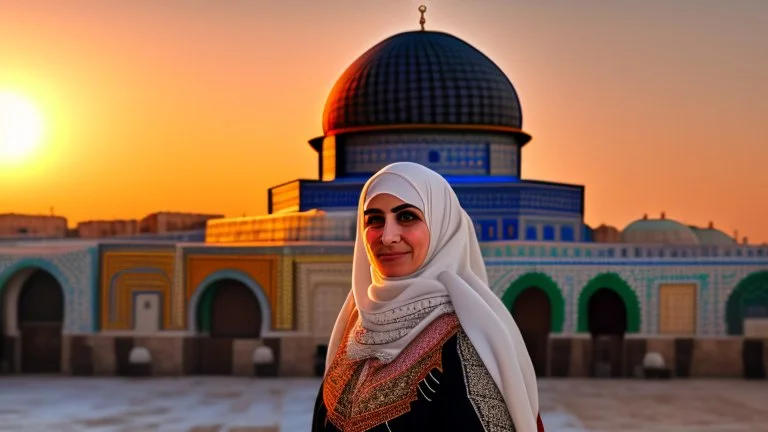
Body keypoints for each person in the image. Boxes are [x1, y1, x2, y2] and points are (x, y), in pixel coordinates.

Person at [312, 162, 544, 432]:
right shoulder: (356, 324)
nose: (387, 236)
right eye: (374, 219)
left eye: (407, 217)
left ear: (441, 227)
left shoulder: (468, 343)